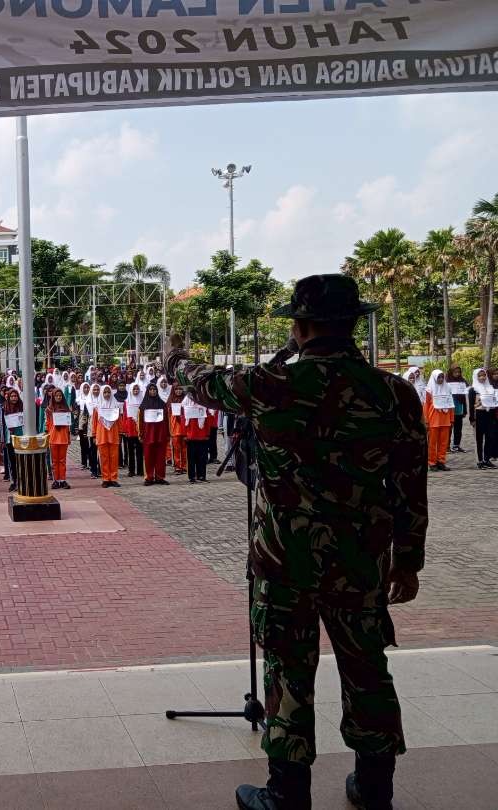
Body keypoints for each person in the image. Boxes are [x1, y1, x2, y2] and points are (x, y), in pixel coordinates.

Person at [166, 275, 427, 810]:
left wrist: (174, 361)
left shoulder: (274, 385)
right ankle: (375, 787)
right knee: (367, 668)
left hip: (287, 561)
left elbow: (208, 383)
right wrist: (408, 562)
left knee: (288, 671)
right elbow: (410, 486)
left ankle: (287, 792)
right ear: (355, 322)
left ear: (301, 325)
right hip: (362, 561)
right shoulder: (393, 392)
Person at [137, 382, 169, 486]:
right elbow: (140, 421)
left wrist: (168, 434)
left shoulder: (163, 405)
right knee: (148, 457)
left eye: (154, 389)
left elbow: (167, 421)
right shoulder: (143, 406)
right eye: (150, 390)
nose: (153, 391)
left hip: (160, 434)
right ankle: (149, 477)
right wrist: (140, 434)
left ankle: (160, 477)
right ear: (147, 391)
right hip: (148, 435)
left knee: (160, 457)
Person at [422, 369, 454, 472]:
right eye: (438, 377)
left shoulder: (447, 388)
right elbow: (426, 406)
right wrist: (426, 420)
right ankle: (432, 462)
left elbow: (450, 404)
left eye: (442, 377)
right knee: (432, 443)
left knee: (444, 442)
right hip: (433, 420)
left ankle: (441, 461)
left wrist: (451, 418)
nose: (440, 379)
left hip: (445, 420)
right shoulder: (429, 390)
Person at [91, 385, 121, 488]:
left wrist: (120, 432)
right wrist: (94, 435)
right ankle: (105, 478)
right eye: (105, 392)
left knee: (114, 457)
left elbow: (119, 421)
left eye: (108, 392)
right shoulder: (97, 407)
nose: (107, 394)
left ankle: (113, 478)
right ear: (101, 394)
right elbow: (94, 422)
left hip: (113, 434)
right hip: (102, 434)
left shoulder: (116, 406)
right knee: (104, 458)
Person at [468, 367, 497, 468]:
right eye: (480, 376)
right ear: (476, 377)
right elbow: (471, 405)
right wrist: (472, 419)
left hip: (489, 415)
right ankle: (479, 460)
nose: (482, 377)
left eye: (484, 375)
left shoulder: (490, 388)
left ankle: (486, 459)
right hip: (478, 416)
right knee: (479, 439)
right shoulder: (473, 390)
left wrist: (494, 417)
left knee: (490, 437)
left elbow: (493, 402)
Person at [44, 388, 72, 490]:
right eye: (57, 396)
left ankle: (63, 480)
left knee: (63, 460)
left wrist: (68, 437)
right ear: (53, 397)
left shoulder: (66, 408)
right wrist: (47, 434)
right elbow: (47, 424)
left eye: (60, 396)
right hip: (54, 437)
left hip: (63, 437)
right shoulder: (49, 409)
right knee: (55, 461)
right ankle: (56, 480)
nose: (58, 397)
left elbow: (68, 425)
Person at [0, 389, 24, 493]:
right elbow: (2, 424)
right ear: (8, 397)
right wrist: (3, 439)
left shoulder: (22, 407)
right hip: (10, 438)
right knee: (12, 462)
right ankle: (14, 482)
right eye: (12, 396)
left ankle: (22, 482)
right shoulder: (4, 408)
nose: (14, 398)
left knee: (21, 461)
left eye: (15, 396)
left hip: (21, 437)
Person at [121, 382, 143, 478]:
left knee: (140, 450)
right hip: (130, 428)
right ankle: (131, 470)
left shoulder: (142, 401)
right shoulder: (127, 402)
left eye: (137, 389)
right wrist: (125, 429)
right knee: (130, 451)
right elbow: (125, 416)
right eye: (134, 389)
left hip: (139, 428)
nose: (136, 391)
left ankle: (140, 470)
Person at [446, 366, 469, 453]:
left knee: (458, 428)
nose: (457, 374)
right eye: (455, 372)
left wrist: (465, 410)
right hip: (449, 409)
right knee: (449, 428)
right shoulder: (446, 382)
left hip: (459, 408)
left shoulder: (462, 381)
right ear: (451, 372)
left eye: (459, 372)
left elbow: (464, 396)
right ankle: (447, 446)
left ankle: (456, 445)